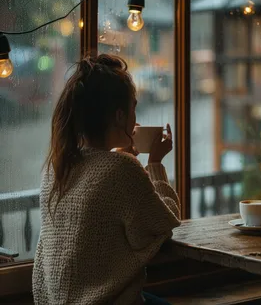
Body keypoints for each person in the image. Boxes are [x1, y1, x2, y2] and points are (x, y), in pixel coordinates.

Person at [32, 54, 180, 305]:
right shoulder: (120, 169)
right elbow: (164, 223)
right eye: (134, 108)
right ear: (120, 116)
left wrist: (131, 165)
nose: (136, 119)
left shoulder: (57, 168)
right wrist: (154, 164)